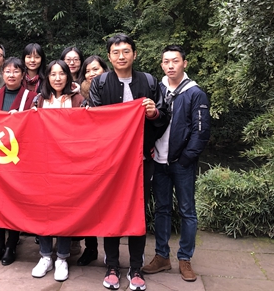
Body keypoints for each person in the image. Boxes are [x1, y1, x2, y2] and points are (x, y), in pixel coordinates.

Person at [88, 34, 168, 291]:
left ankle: (135, 267)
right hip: (110, 163)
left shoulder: (149, 81)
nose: (121, 56)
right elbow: (94, 120)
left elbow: (164, 116)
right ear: (109, 56)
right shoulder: (100, 83)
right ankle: (112, 265)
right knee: (110, 212)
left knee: (137, 213)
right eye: (116, 52)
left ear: (134, 54)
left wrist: (153, 113)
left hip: (141, 161)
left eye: (126, 51)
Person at [141, 45, 210, 282]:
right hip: (158, 160)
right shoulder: (156, 89)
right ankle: (162, 256)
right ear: (161, 64)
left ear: (184, 63)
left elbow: (201, 132)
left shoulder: (195, 93)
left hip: (181, 163)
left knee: (187, 211)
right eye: (166, 61)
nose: (170, 66)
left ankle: (185, 259)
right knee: (161, 209)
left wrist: (186, 158)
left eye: (175, 61)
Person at [30, 60, 84, 282]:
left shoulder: (78, 100)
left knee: (64, 210)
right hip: (43, 164)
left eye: (62, 73)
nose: (58, 78)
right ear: (47, 77)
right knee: (43, 210)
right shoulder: (39, 100)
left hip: (69, 164)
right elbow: (27, 127)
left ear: (68, 76)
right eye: (53, 74)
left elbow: (87, 128)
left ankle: (62, 257)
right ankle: (45, 256)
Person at [0, 57, 36, 266]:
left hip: (20, 156)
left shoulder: (31, 97)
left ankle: (11, 244)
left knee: (14, 200)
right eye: (7, 71)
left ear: (23, 74)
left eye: (16, 71)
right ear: (2, 74)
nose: (11, 75)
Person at [73, 54, 109, 266]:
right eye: (87, 70)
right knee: (88, 202)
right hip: (87, 155)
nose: (91, 74)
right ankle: (91, 247)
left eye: (96, 69)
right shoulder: (80, 97)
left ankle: (111, 252)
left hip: (110, 153)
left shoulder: (114, 90)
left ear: (104, 69)